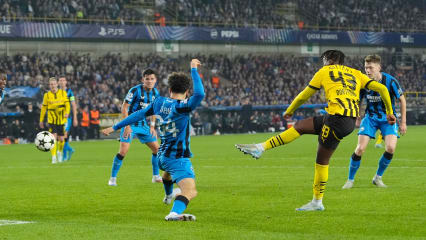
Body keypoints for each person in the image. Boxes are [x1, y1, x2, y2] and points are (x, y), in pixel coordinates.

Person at [235, 50, 396, 211]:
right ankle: (260, 148)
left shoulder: (325, 71)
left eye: (324, 59)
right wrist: (389, 111)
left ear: (331, 60)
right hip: (342, 118)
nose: (323, 63)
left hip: (337, 120)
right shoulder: (356, 73)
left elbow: (303, 96)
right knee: (300, 126)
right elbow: (382, 90)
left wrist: (290, 110)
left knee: (322, 161)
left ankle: (317, 202)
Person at [102, 59, 205, 221]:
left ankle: (168, 195)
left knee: (167, 175)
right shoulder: (183, 106)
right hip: (177, 157)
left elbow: (137, 114)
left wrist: (114, 127)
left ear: (169, 89)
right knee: (190, 191)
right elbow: (200, 94)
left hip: (162, 156)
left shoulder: (159, 102)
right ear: (186, 92)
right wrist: (193, 69)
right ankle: (174, 213)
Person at [342, 54, 406, 189]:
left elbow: (402, 100)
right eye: (366, 68)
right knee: (360, 149)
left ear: (379, 67)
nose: (368, 70)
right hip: (370, 119)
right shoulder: (364, 82)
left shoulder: (390, 81)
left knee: (390, 148)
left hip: (388, 119)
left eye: (370, 67)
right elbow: (358, 100)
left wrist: (403, 122)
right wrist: (358, 117)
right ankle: (350, 180)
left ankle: (378, 178)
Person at [108, 69, 162, 186]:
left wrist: (152, 127)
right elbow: (124, 107)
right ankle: (112, 179)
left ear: (155, 80)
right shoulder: (135, 90)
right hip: (130, 124)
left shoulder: (156, 93)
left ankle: (156, 176)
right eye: (147, 79)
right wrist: (127, 125)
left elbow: (154, 111)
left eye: (152, 79)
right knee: (123, 151)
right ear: (143, 79)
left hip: (143, 125)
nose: (149, 81)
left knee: (157, 150)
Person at [39, 77, 70, 164]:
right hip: (51, 119)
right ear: (49, 85)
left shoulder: (63, 93)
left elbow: (67, 104)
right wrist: (41, 120)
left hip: (61, 120)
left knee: (61, 139)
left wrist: (67, 112)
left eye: (54, 84)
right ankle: (53, 157)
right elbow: (43, 109)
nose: (52, 86)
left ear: (57, 84)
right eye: (51, 84)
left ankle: (59, 152)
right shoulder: (47, 95)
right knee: (53, 137)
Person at [58, 77, 78, 161]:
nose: (62, 82)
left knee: (64, 135)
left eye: (63, 80)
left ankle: (64, 156)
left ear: (66, 82)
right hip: (58, 117)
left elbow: (73, 105)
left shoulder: (70, 92)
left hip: (67, 118)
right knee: (59, 137)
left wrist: (75, 118)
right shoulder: (57, 92)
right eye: (60, 81)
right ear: (58, 82)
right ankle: (70, 149)